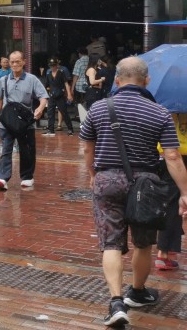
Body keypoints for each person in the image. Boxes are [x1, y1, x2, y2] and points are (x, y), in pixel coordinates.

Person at [79, 56, 187, 326]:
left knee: (111, 243)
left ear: (117, 80)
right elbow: (172, 156)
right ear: (146, 80)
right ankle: (137, 292)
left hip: (107, 180)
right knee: (143, 242)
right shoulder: (159, 112)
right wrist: (185, 192)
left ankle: (116, 302)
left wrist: (93, 174)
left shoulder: (98, 108)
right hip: (146, 185)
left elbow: (87, 148)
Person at [0, 51, 49, 191]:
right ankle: (2, 177)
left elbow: (43, 97)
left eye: (18, 61)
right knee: (6, 149)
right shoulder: (3, 80)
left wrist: (40, 108)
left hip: (25, 122)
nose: (14, 64)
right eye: (12, 62)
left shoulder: (32, 79)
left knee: (27, 150)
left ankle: (27, 177)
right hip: (7, 122)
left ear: (24, 62)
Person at [156, 113, 187, 271]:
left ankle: (168, 247)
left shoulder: (166, 105)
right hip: (176, 155)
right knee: (174, 204)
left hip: (167, 153)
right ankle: (163, 252)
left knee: (172, 202)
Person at [44, 58, 75, 136]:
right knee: (50, 113)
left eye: (54, 65)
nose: (52, 67)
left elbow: (66, 84)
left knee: (64, 112)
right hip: (52, 95)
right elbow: (47, 85)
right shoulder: (48, 74)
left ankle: (70, 129)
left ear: (57, 65)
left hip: (60, 95)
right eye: (51, 66)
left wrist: (69, 94)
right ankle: (51, 129)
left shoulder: (61, 73)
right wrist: (47, 95)